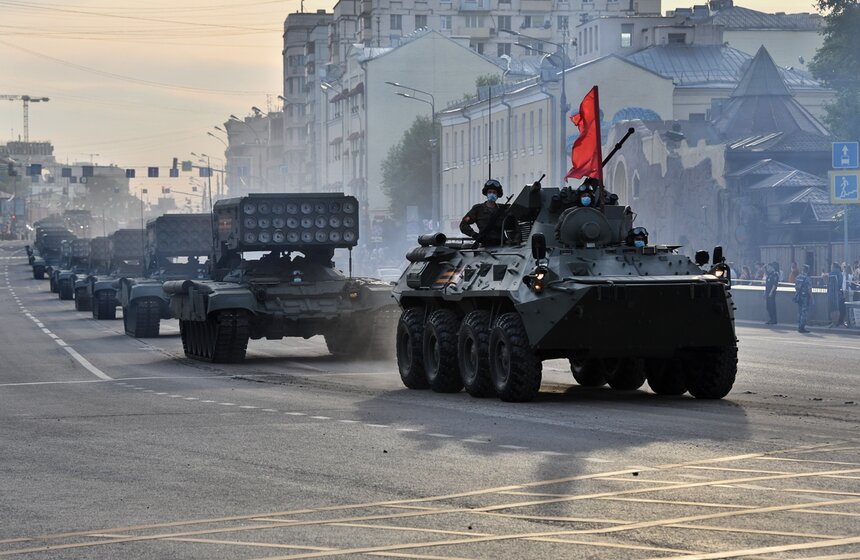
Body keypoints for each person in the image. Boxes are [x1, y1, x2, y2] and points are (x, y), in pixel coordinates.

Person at [459, 179, 505, 246]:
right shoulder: (478, 209)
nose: (492, 194)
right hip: (485, 245)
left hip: (501, 244)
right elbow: (463, 224)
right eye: (490, 192)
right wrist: (474, 235)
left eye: (494, 192)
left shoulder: (502, 209)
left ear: (498, 195)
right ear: (486, 194)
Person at [794, 264, 812, 333]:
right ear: (807, 270)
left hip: (799, 296)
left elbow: (795, 287)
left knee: (799, 311)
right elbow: (809, 289)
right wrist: (812, 298)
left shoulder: (798, 277)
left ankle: (799, 325)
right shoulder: (807, 278)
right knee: (804, 312)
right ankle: (802, 327)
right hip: (805, 297)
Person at [827, 262, 842, 327]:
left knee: (832, 309)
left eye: (831, 266)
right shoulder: (840, 273)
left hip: (832, 293)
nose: (831, 268)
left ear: (834, 267)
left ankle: (833, 323)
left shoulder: (833, 272)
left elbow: (825, 279)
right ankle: (837, 323)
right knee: (837, 308)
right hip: (838, 292)